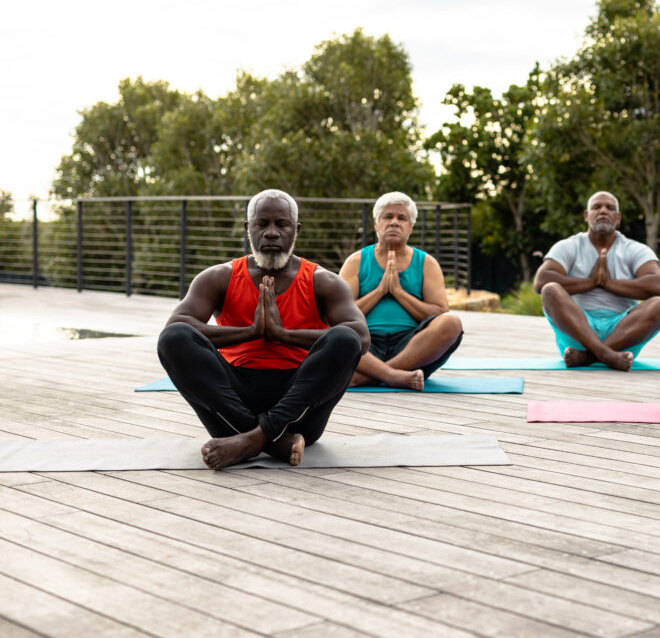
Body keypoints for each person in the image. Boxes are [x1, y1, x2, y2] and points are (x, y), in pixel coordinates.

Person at [157, 189, 369, 470]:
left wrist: (283, 335)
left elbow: (361, 337)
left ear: (296, 230)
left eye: (281, 224)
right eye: (262, 224)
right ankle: (271, 441)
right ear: (248, 228)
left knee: (346, 339)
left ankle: (250, 440)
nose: (271, 233)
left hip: (299, 408)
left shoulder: (323, 281)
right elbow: (176, 325)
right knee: (173, 339)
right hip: (231, 404)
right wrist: (251, 331)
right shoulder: (219, 277)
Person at [339, 192, 463, 390]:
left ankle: (373, 376)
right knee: (331, 328)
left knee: (451, 323)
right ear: (376, 223)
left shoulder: (427, 263)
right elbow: (340, 314)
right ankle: (393, 376)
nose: (394, 222)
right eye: (388, 217)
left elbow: (440, 313)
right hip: (366, 347)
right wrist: (379, 291)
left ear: (410, 227)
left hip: (413, 347)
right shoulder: (356, 261)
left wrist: (399, 292)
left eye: (401, 218)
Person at [534, 191, 660, 371]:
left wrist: (608, 283)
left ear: (618, 217)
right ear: (586, 215)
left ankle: (588, 356)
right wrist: (591, 282)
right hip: (578, 328)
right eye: (596, 207)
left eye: (610, 208)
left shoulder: (634, 249)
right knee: (550, 290)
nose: (603, 211)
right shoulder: (570, 246)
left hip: (624, 331)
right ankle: (606, 354)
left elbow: (658, 286)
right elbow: (541, 281)